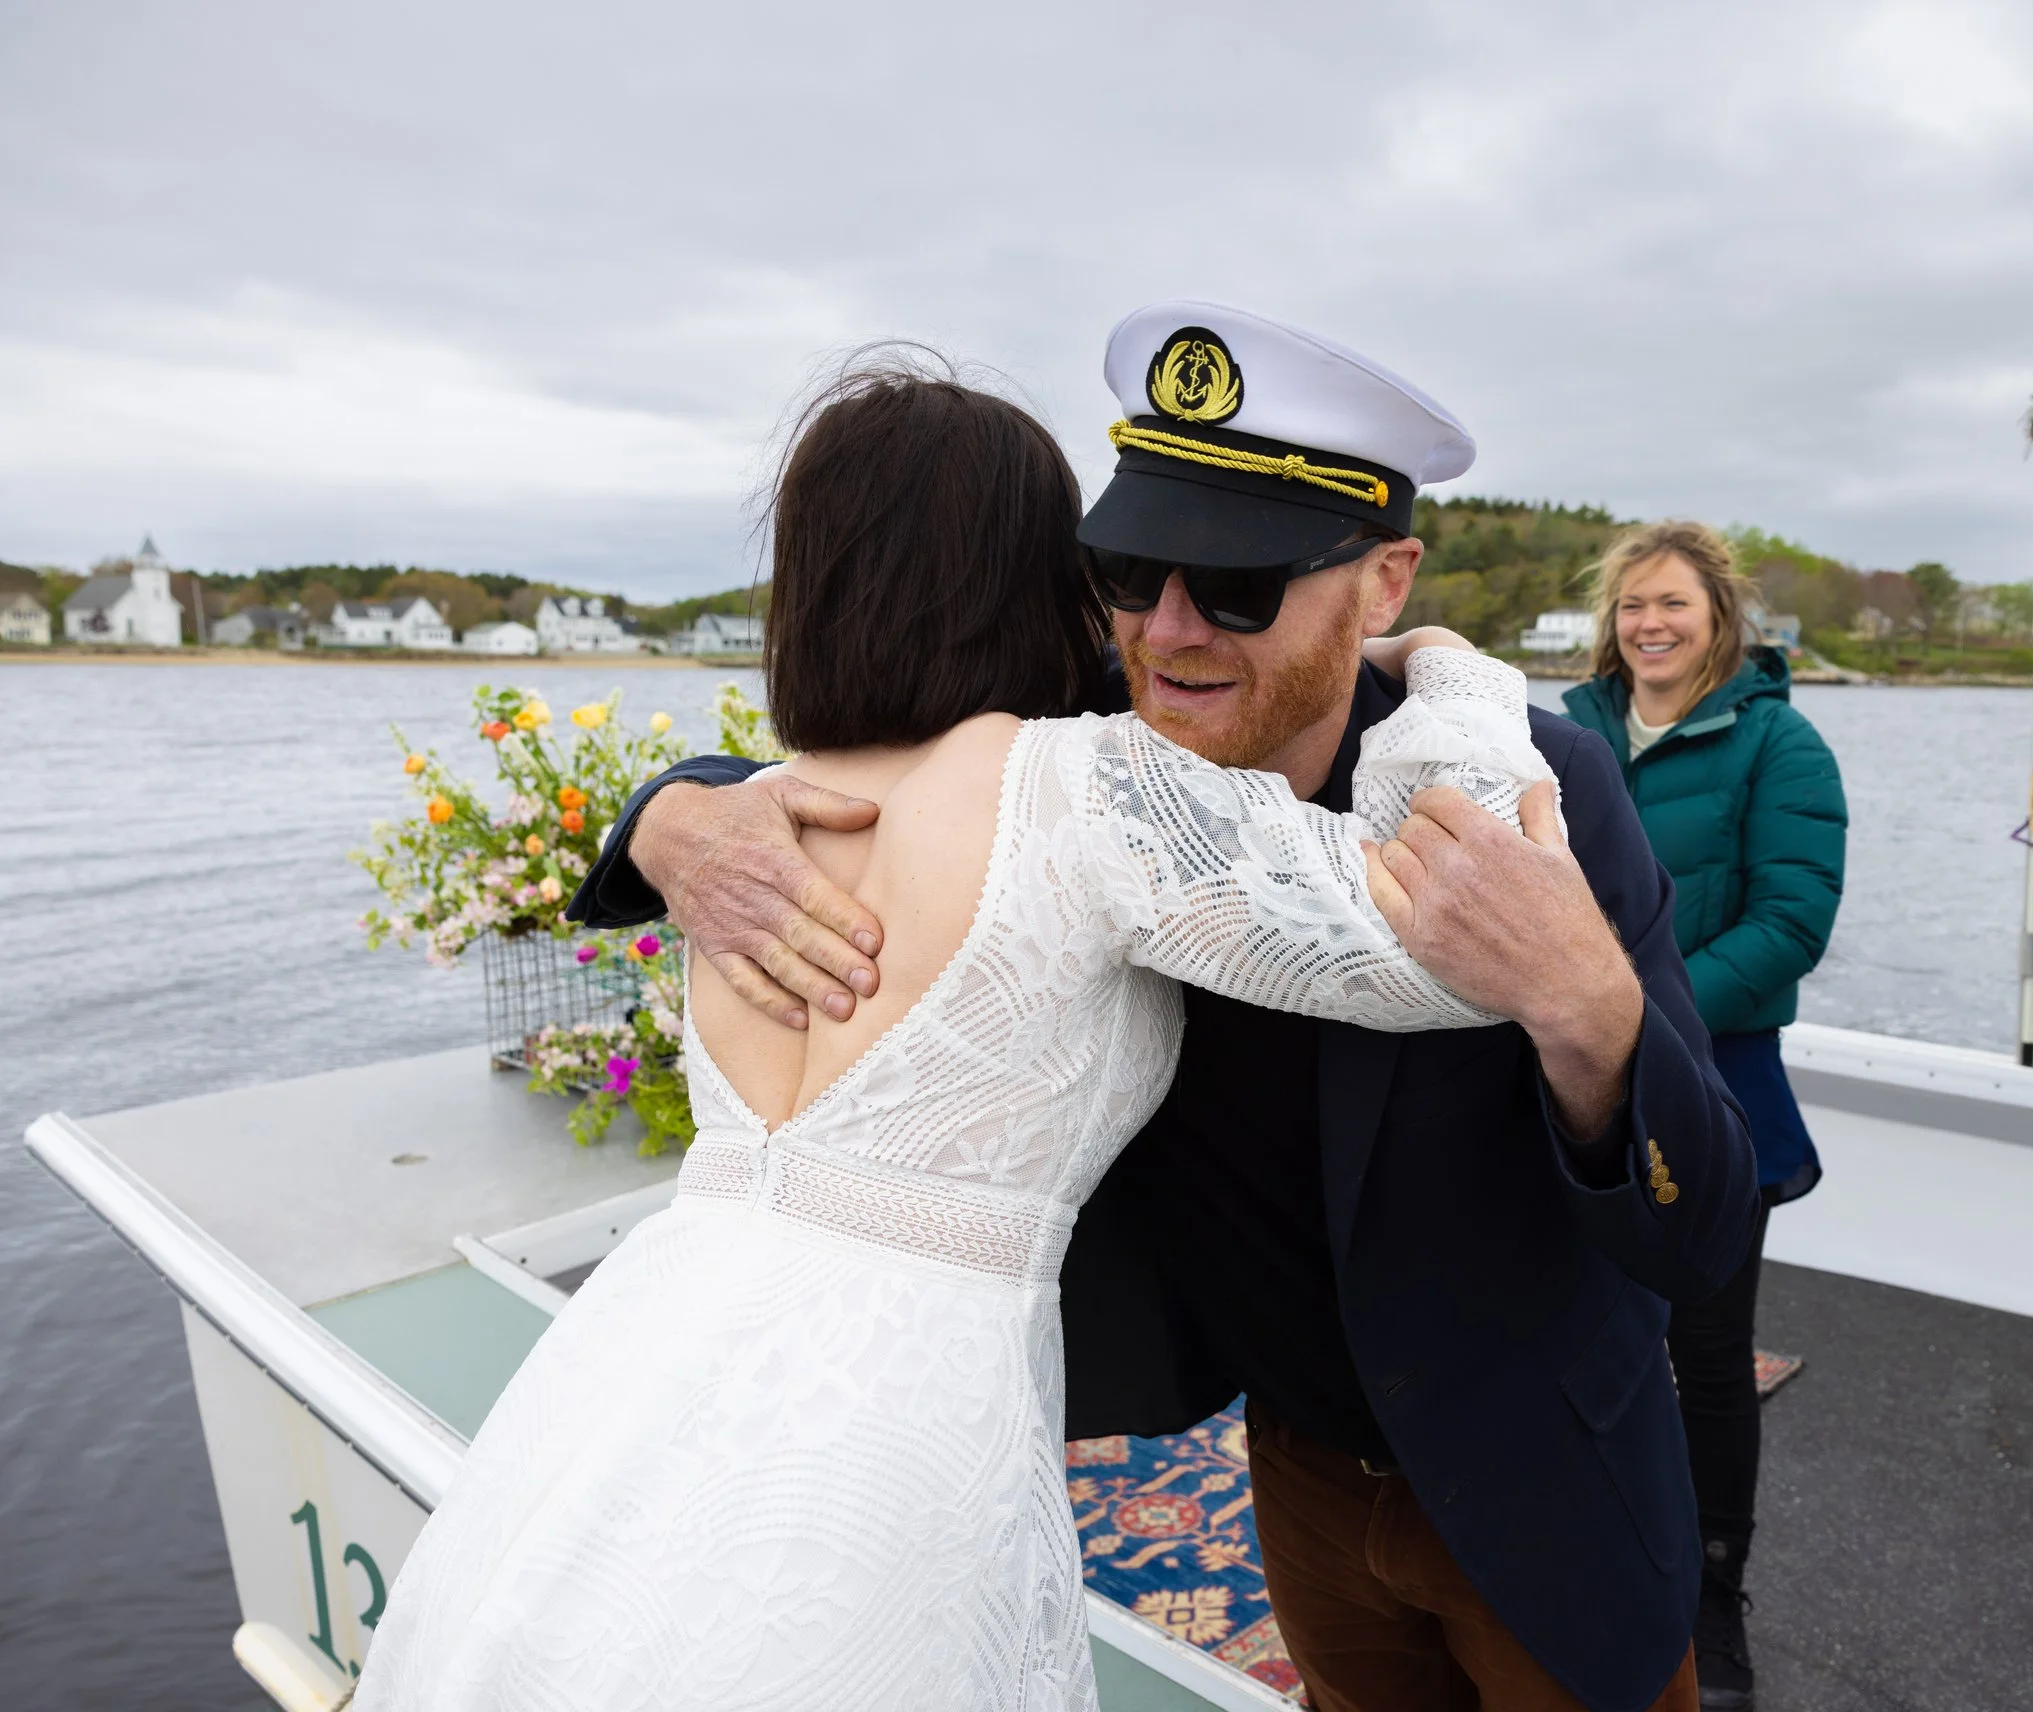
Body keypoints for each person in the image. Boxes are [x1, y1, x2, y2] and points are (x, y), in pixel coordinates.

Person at [585, 303, 1759, 1712]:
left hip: (1542, 1480)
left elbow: (1707, 1224)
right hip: (1299, 1471)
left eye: (1242, 587)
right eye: (1130, 574)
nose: (1169, 631)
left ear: (1385, 582)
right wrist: (679, 813)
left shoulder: (1541, 787)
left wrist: (1585, 1007)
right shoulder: (1093, 757)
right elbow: (880, 736)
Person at [354, 352, 1554, 1711]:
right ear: (1033, 571)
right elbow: (1453, 928)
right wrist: (1453, 672)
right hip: (896, 1428)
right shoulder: (1081, 788)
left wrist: (661, 813)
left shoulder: (756, 823)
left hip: (636, 1374)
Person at [1561, 522, 1847, 1712]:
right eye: (1631, 605)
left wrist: (1639, 1018)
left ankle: (1710, 1607)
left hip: (1713, 1097)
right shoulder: (1562, 733)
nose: (1648, 624)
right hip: (1562, 1086)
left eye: (1670, 602)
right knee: (1572, 1345)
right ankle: (1578, 1572)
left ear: (1718, 614)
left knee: (1706, 1361)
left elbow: (1790, 926)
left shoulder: (1781, 743)